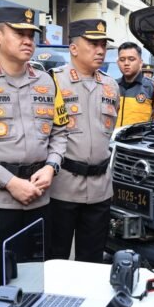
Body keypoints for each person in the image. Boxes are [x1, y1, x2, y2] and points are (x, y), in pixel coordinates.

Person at [0, 6, 68, 303]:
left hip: (38, 200)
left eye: (32, 34)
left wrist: (52, 167)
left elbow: (60, 133)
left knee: (33, 287)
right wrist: (11, 183)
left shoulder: (46, 82)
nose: (28, 40)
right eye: (20, 33)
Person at [48, 18, 119, 262]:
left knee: (92, 263)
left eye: (103, 45)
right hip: (62, 188)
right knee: (55, 260)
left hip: (100, 190)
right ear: (74, 48)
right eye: (93, 44)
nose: (100, 50)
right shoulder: (53, 82)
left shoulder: (111, 86)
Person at [115, 42, 154, 126]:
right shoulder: (112, 86)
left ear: (141, 63)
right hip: (114, 135)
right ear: (117, 62)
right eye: (122, 59)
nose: (126, 63)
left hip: (141, 135)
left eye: (131, 59)